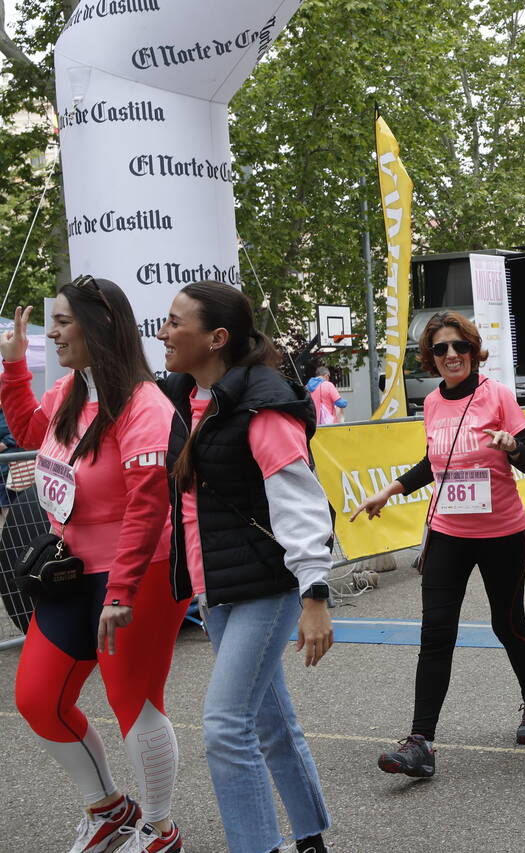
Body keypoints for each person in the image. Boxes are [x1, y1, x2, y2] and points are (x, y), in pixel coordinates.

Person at [2, 279, 188, 853]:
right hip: (68, 569)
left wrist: (121, 591)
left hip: (136, 575)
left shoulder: (145, 403)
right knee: (37, 699)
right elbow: (34, 435)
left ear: (100, 326)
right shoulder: (69, 390)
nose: (51, 332)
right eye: (50, 321)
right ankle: (109, 809)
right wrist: (13, 372)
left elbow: (149, 505)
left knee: (134, 702)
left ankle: (159, 829)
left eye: (62, 321)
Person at [157, 281, 334, 853]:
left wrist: (315, 594)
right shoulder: (184, 396)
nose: (163, 331)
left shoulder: (262, 404)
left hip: (267, 585)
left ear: (217, 337)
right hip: (220, 586)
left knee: (225, 725)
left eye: (175, 321)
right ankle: (311, 836)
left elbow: (301, 503)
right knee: (270, 723)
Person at [352, 311, 525, 780]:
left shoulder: (498, 396)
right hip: (448, 533)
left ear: (473, 348)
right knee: (435, 634)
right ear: (431, 358)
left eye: (459, 346)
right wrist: (391, 489)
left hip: (502, 533)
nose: (451, 355)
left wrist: (512, 447)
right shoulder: (435, 405)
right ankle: (421, 742)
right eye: (440, 349)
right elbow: (432, 463)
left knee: (508, 623)